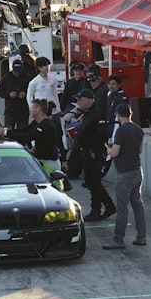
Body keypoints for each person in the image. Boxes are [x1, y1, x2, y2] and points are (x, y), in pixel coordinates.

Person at [65, 89, 116, 221]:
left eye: (81, 100)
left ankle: (96, 209)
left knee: (93, 181)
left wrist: (93, 150)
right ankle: (108, 205)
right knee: (92, 182)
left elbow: (102, 134)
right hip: (86, 151)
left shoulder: (97, 114)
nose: (79, 102)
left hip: (94, 153)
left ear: (89, 100)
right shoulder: (87, 113)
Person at [103, 102, 147, 249]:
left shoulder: (121, 131)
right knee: (138, 205)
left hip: (124, 173)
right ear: (130, 114)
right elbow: (139, 150)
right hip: (137, 171)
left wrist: (108, 150)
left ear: (117, 115)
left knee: (122, 208)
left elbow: (115, 153)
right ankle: (142, 236)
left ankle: (118, 239)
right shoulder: (138, 130)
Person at [0, 99, 63, 189]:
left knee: (53, 189)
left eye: (32, 107)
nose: (30, 110)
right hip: (42, 161)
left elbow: (27, 136)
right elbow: (24, 130)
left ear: (38, 109)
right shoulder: (37, 123)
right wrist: (6, 131)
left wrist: (5, 133)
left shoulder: (46, 125)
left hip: (49, 163)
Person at [0, 58, 31, 128]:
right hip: (10, 110)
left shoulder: (27, 78)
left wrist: (26, 94)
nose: (17, 73)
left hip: (23, 111)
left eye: (19, 71)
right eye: (15, 71)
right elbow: (0, 92)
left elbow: (33, 91)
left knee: (23, 131)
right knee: (9, 131)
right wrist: (9, 94)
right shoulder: (6, 78)